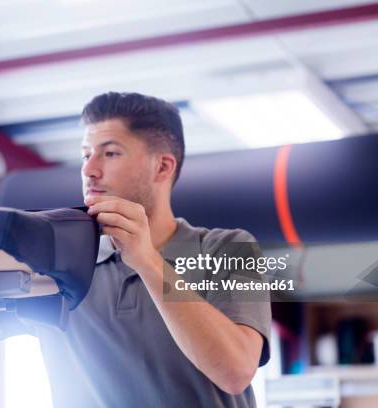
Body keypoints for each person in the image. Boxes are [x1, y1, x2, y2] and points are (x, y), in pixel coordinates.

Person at [29, 92, 271, 407]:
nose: (89, 170)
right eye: (85, 154)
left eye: (111, 153)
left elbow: (235, 372)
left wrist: (146, 261)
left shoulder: (230, 249)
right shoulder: (59, 265)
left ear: (162, 167)